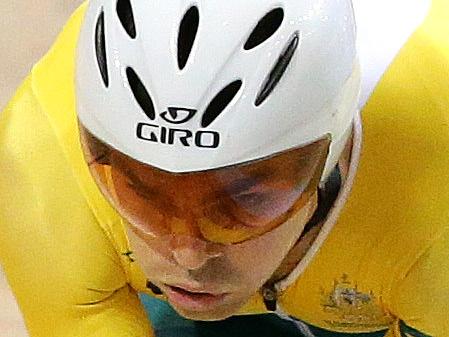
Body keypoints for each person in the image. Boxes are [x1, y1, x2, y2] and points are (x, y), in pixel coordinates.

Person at [0, 1, 447, 336]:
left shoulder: (437, 212)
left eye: (244, 200)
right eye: (143, 194)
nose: (188, 257)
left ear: (330, 150)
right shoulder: (43, 164)